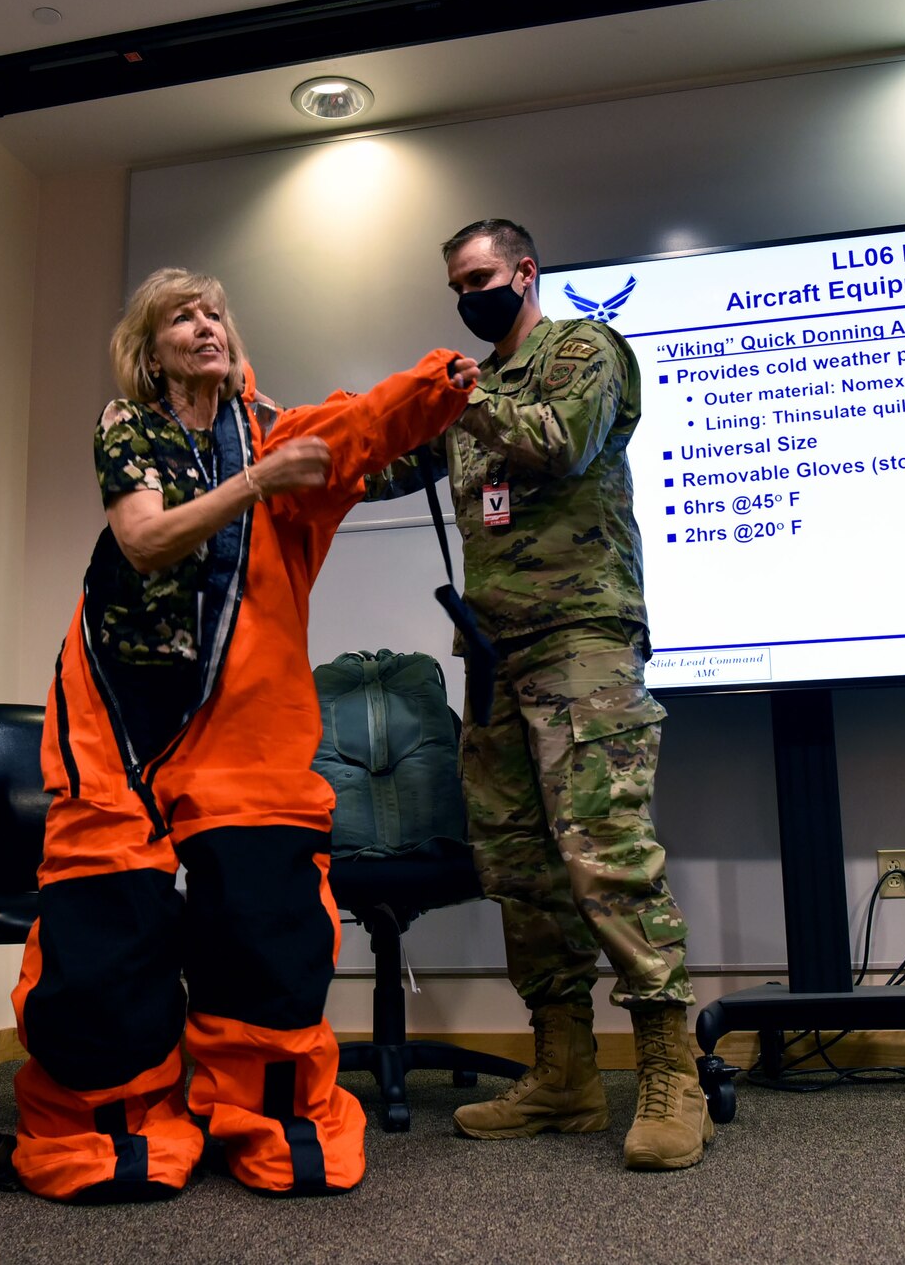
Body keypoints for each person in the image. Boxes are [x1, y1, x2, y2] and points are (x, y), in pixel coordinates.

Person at [9, 268, 475, 1200]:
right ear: (150, 350)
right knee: (106, 926)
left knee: (267, 920)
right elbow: (143, 539)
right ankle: (108, 1134)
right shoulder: (128, 426)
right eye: (181, 316)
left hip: (246, 725)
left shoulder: (274, 433)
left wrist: (433, 391)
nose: (205, 325)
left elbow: (355, 432)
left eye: (215, 312)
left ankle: (271, 1119)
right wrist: (258, 483)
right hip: (118, 716)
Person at [375, 219, 709, 1171]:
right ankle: (564, 1073)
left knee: (606, 855)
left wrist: (461, 396)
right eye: (456, 285)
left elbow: (560, 443)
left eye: (480, 277)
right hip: (494, 656)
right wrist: (283, 430)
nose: (469, 295)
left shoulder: (584, 350)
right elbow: (381, 464)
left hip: (582, 643)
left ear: (525, 272)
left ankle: (668, 1071)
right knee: (520, 868)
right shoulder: (461, 397)